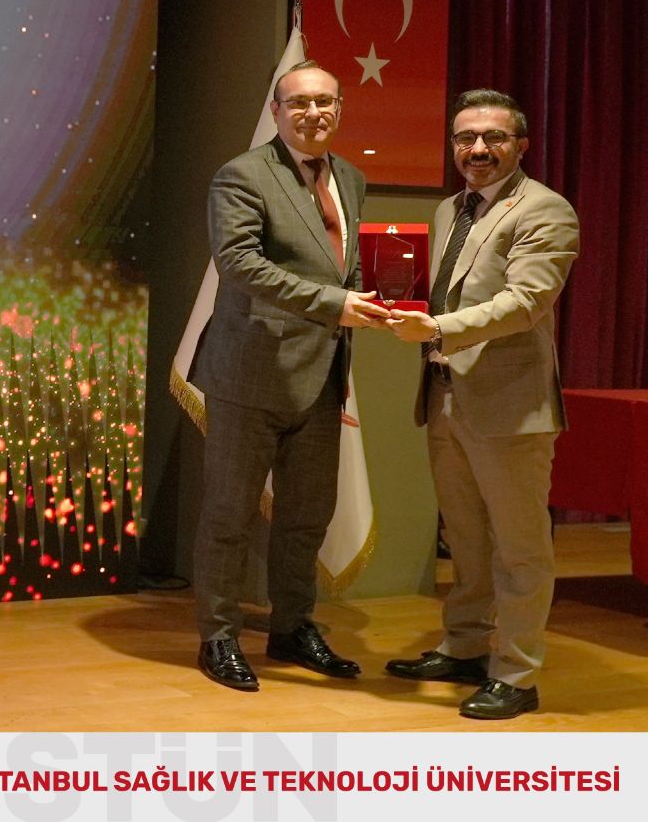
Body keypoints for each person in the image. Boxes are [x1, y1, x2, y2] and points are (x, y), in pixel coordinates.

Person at [189, 60, 389, 691]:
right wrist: (335, 304)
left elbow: (343, 266)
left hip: (322, 374)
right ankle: (218, 636)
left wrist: (377, 304)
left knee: (307, 517)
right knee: (229, 515)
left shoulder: (350, 178)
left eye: (324, 102)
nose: (313, 113)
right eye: (298, 102)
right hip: (249, 372)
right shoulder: (242, 175)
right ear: (276, 111)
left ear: (339, 110)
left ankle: (292, 626)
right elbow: (239, 263)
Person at [384, 89, 579, 719]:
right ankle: (465, 646)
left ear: (521, 146)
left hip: (509, 405)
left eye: (493, 138)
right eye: (465, 138)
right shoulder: (450, 209)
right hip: (444, 394)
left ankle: (517, 674)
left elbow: (526, 303)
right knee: (465, 536)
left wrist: (438, 329)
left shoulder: (545, 209)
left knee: (520, 547)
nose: (477, 149)